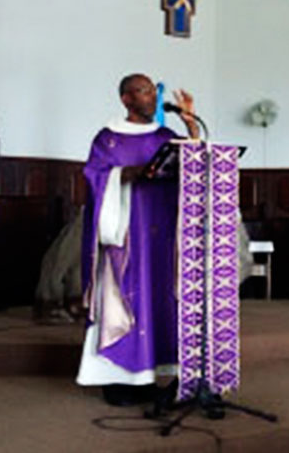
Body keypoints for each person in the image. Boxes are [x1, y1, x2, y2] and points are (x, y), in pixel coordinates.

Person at [76, 74, 198, 406]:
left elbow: (194, 166)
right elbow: (95, 177)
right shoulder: (107, 138)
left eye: (153, 92)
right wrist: (130, 172)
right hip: (125, 233)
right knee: (122, 298)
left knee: (156, 299)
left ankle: (146, 378)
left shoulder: (165, 136)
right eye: (144, 92)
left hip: (161, 233)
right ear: (126, 99)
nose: (152, 98)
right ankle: (114, 380)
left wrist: (191, 127)